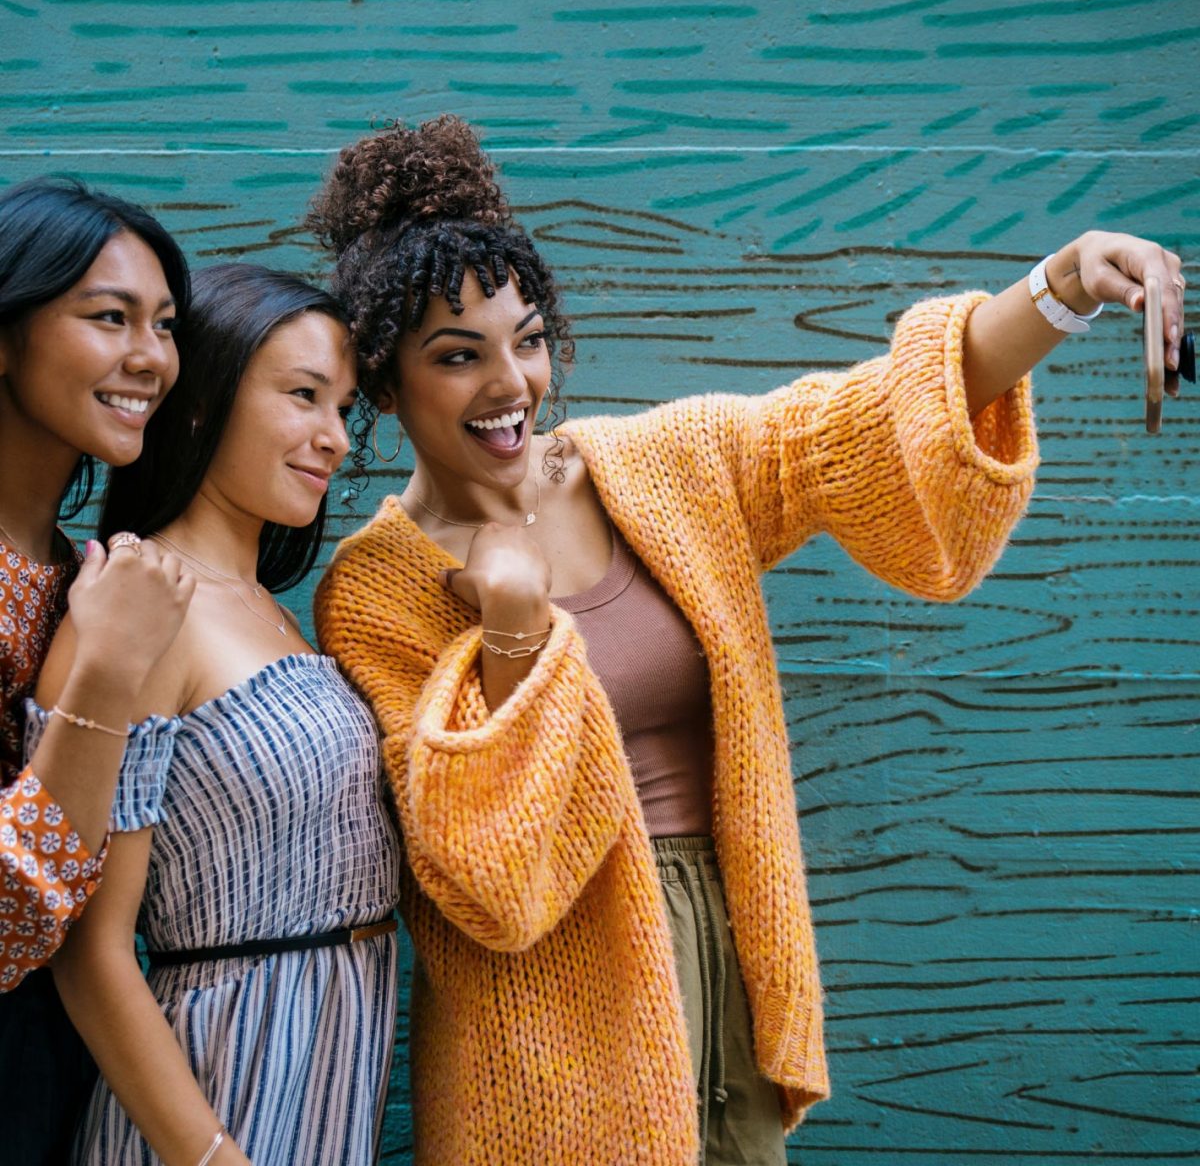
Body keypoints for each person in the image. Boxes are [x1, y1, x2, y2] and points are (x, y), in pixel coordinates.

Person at [307, 116, 1187, 1166]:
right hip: (542, 1031)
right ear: (387, 380)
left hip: (728, 958)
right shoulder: (378, 586)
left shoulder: (660, 466)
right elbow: (482, 879)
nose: (511, 386)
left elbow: (860, 424)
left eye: (529, 340)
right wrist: (510, 630)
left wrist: (1065, 285)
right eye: (459, 356)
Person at [39, 263, 402, 1165]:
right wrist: (210, 1157)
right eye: (304, 397)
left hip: (331, 1078)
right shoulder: (137, 605)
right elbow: (89, 951)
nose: (336, 439)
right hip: (217, 1092)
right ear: (201, 403)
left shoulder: (275, 607)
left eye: (344, 409)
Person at [0, 176, 196, 1164]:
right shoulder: (105, 614)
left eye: (163, 324)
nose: (149, 358)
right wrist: (109, 670)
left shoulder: (78, 568)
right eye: (108, 317)